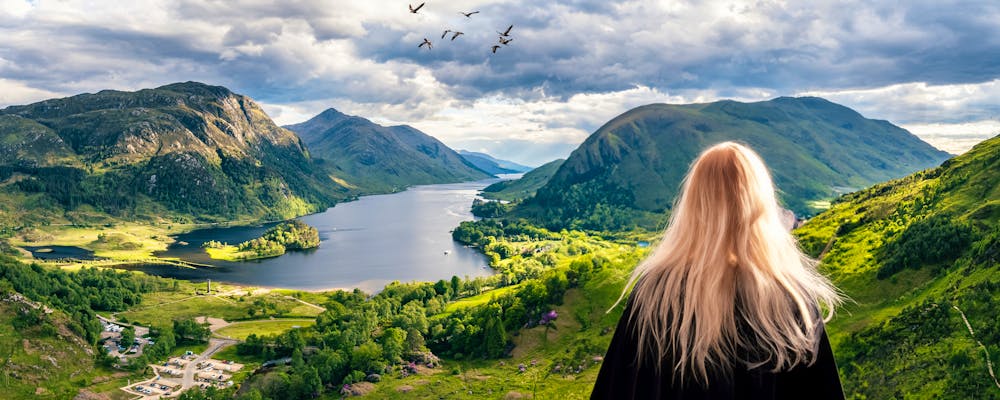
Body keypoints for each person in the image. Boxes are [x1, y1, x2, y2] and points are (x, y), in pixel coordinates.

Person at [591, 142, 844, 399]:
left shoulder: (656, 293)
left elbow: (619, 387)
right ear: (761, 204)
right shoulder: (792, 299)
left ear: (694, 203)